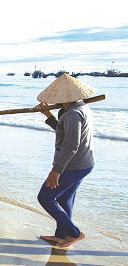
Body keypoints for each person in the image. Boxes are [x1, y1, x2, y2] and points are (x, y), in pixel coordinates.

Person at [35, 73, 95, 249]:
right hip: (84, 163)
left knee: (45, 197)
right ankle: (62, 236)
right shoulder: (78, 108)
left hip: (74, 165)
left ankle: (75, 233)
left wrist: (56, 170)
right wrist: (47, 114)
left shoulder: (72, 114)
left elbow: (70, 146)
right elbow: (63, 132)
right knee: (64, 199)